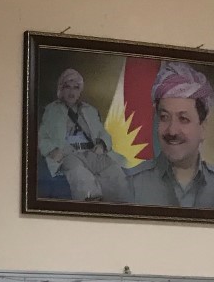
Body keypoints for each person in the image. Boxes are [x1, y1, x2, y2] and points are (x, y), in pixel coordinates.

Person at [128, 60, 214, 208]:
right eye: (164, 117)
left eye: (183, 119)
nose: (172, 130)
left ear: (203, 128)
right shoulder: (130, 184)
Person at [36, 67, 130, 201]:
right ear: (61, 89)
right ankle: (91, 204)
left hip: (91, 152)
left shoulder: (90, 110)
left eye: (76, 88)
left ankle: (119, 206)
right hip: (68, 153)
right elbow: (42, 137)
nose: (72, 92)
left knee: (113, 170)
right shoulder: (52, 110)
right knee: (80, 175)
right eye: (67, 87)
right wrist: (52, 150)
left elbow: (103, 133)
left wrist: (101, 145)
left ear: (80, 91)